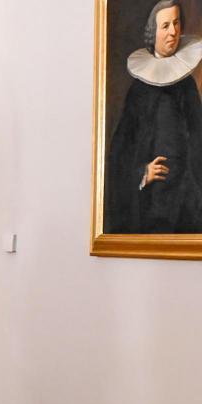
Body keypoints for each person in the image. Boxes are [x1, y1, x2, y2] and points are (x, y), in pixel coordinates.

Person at [106, 0, 202, 233]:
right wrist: (142, 173)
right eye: (166, 25)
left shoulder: (187, 85)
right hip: (153, 201)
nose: (173, 31)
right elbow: (120, 152)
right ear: (153, 33)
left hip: (187, 197)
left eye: (176, 23)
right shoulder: (139, 90)